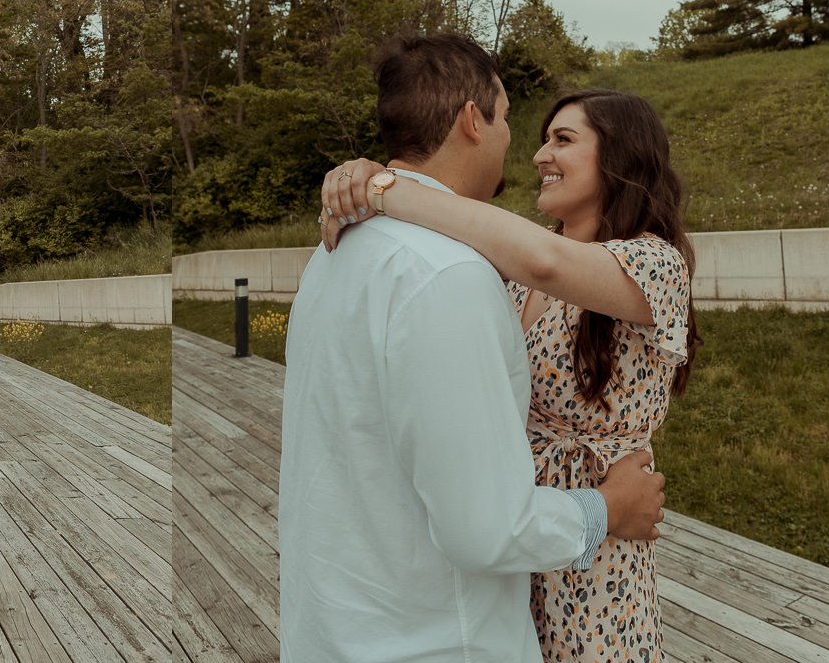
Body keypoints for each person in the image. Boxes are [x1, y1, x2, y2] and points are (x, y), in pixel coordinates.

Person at [279, 33, 668, 663]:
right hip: (446, 626)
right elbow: (488, 529)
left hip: (548, 589)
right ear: (471, 119)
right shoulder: (456, 275)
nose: (530, 148)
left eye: (563, 140)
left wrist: (383, 186)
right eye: (514, 121)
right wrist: (604, 508)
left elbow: (542, 260)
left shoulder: (335, 254)